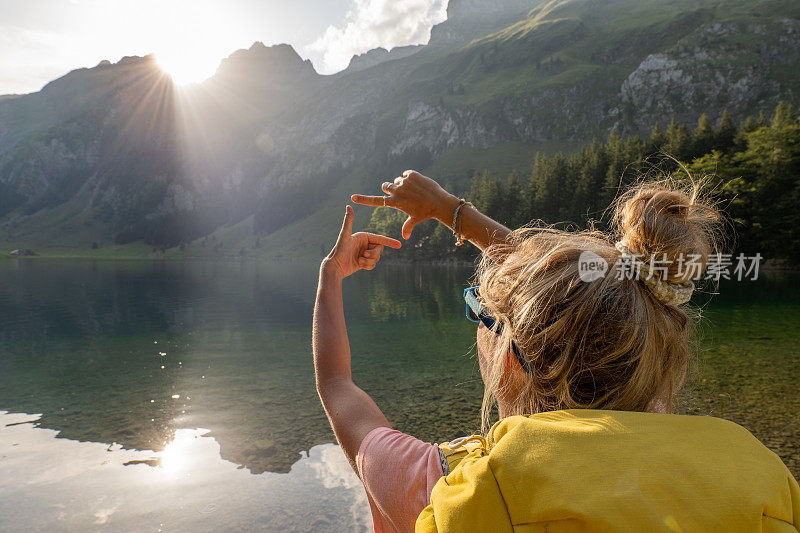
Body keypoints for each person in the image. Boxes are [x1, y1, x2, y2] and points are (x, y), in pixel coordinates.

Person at [312, 170, 800, 532]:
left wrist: (330, 276)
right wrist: (449, 209)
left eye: (480, 312)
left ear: (509, 359)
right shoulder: (742, 472)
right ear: (646, 346)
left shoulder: (440, 486)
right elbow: (563, 296)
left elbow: (337, 385)